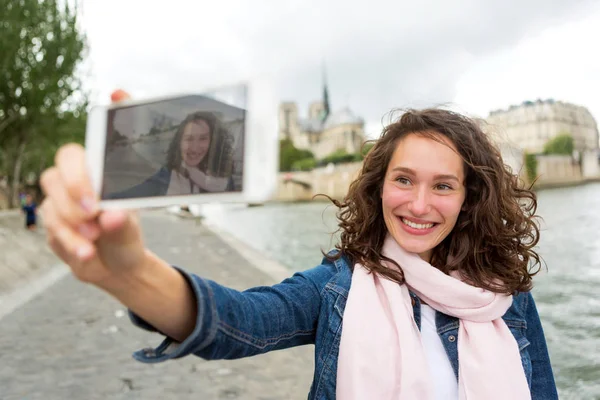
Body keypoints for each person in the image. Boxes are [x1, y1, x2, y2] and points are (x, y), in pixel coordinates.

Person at [39, 90, 558, 399]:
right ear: (379, 187)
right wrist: (129, 273)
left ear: (469, 198)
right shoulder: (338, 286)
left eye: (443, 185)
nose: (419, 204)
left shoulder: (506, 299)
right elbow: (240, 322)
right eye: (404, 180)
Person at [107, 110, 236, 199]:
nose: (195, 148)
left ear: (213, 141)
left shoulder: (226, 181)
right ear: (179, 142)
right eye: (189, 139)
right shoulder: (164, 178)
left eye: (203, 139)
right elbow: (126, 197)